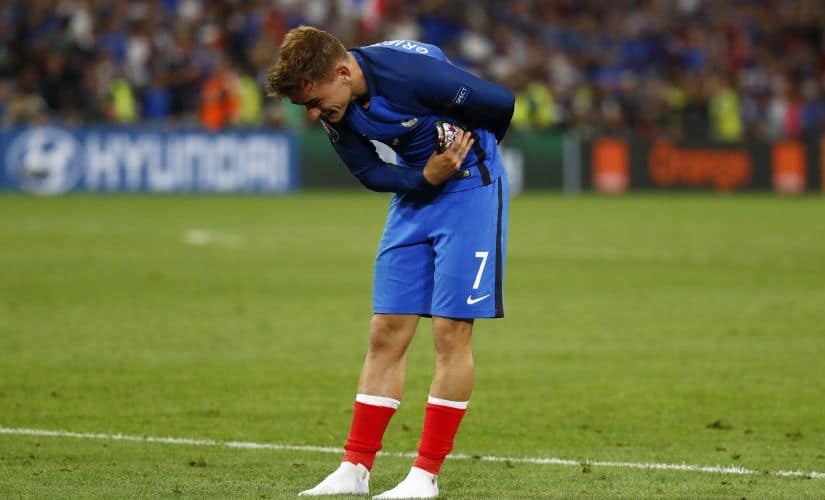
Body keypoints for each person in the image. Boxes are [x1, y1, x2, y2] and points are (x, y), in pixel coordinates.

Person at [265, 26, 513, 498]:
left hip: (470, 192)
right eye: (305, 107)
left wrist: (476, 151)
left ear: (341, 72)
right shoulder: (336, 106)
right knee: (386, 329)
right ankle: (354, 469)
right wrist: (424, 176)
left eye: (314, 101)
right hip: (416, 194)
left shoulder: (411, 76)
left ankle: (425, 476)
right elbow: (369, 172)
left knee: (450, 330)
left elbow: (500, 103)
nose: (313, 113)